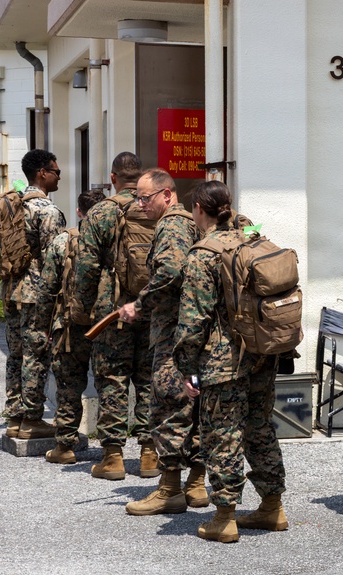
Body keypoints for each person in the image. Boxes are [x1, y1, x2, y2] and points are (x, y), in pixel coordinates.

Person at [174, 181, 288, 543]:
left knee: (223, 435)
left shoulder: (203, 254)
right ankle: (273, 507)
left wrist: (187, 367)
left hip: (223, 361)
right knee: (259, 427)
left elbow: (194, 321)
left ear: (198, 210)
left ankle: (224, 517)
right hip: (262, 351)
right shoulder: (251, 237)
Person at [118, 168, 205, 516]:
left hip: (172, 334)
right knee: (193, 408)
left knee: (168, 406)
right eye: (137, 198)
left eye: (146, 198)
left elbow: (170, 272)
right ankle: (196, 485)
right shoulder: (190, 223)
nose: (141, 205)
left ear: (167, 195)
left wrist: (138, 304)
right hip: (192, 332)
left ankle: (169, 489)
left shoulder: (171, 225)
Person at [75, 152, 159, 479]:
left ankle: (112, 458)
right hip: (151, 310)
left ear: (113, 178)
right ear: (140, 177)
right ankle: (150, 454)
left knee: (113, 379)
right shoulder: (153, 209)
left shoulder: (101, 213)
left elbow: (85, 269)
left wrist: (83, 310)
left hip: (112, 312)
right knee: (149, 379)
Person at [3, 149, 66, 439]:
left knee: (15, 354)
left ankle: (14, 417)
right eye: (55, 171)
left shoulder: (11, 204)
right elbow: (56, 258)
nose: (58, 176)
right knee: (35, 355)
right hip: (36, 293)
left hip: (11, 289)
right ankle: (32, 419)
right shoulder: (47, 210)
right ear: (42, 172)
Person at [38, 189, 104, 464]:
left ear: (79, 212)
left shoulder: (63, 241)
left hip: (69, 324)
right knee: (112, 384)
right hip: (108, 323)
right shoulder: (113, 239)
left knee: (68, 383)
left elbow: (47, 289)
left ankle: (65, 446)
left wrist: (43, 326)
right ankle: (117, 452)